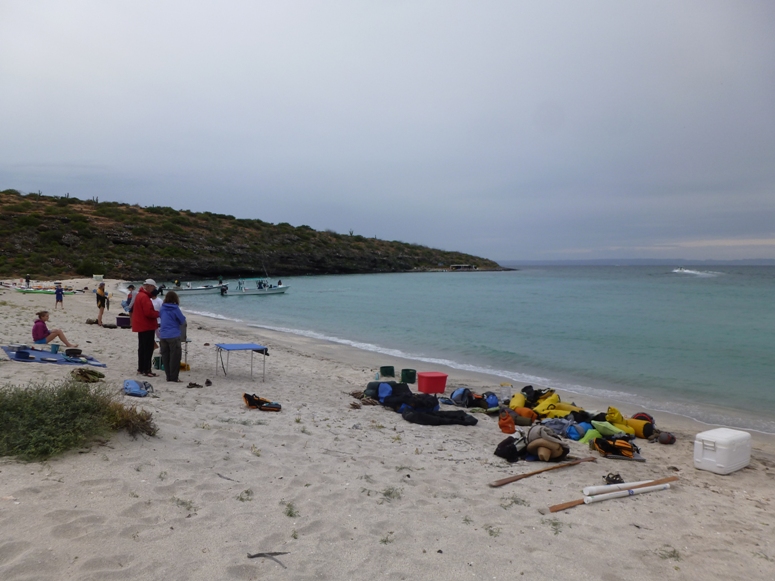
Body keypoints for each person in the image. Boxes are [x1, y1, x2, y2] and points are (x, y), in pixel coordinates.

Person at [131, 279, 160, 377]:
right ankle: (147, 370)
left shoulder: (140, 295)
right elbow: (148, 313)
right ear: (149, 286)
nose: (154, 290)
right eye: (153, 287)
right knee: (148, 348)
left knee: (142, 348)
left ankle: (141, 368)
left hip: (141, 325)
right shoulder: (145, 297)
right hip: (146, 325)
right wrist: (159, 313)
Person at [159, 291, 186, 382]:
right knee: (175, 357)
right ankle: (174, 378)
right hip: (173, 335)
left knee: (166, 357)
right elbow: (182, 320)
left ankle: (168, 376)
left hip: (163, 335)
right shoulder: (175, 308)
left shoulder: (162, 308)